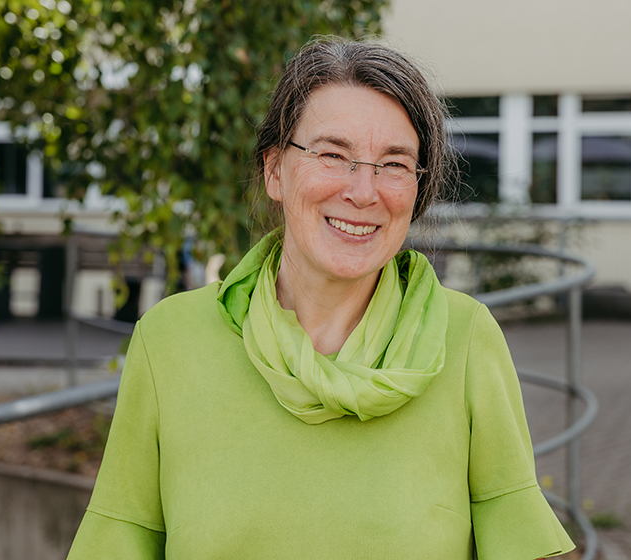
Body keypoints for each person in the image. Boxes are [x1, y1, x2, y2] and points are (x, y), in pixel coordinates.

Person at [66, 38, 575, 560]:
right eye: (333, 155)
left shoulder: (464, 339)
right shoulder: (171, 340)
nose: (363, 190)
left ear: (417, 189)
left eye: (394, 164)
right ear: (274, 171)